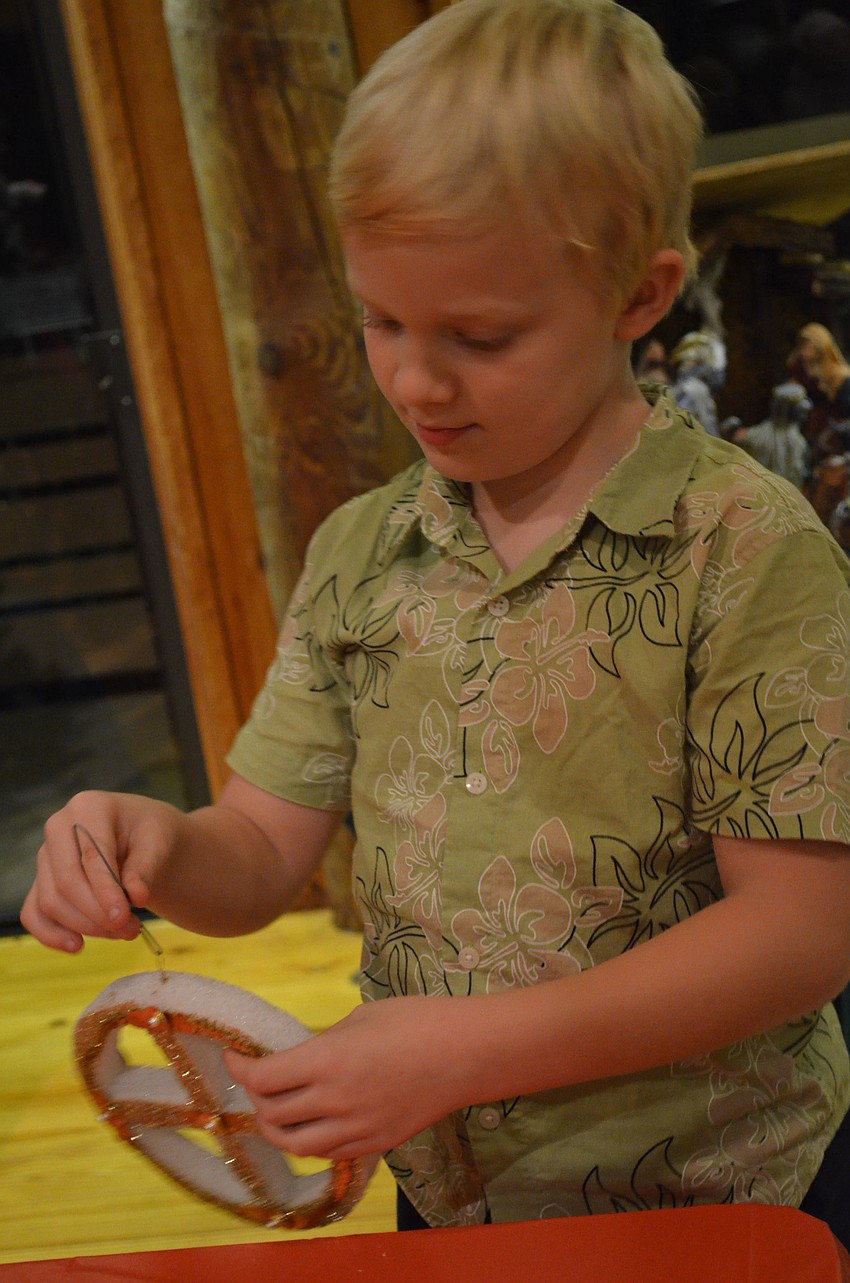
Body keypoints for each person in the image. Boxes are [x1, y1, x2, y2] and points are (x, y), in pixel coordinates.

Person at [21, 0, 850, 1242]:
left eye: (477, 334)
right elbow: (256, 843)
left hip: (722, 1193)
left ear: (640, 294)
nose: (414, 377)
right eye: (381, 319)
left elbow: (799, 935)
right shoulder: (360, 555)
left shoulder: (745, 548)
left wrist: (457, 1050)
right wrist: (155, 842)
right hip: (446, 1188)